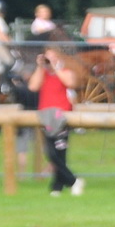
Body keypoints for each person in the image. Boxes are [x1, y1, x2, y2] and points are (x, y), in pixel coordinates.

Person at [27, 48, 81, 195]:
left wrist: (56, 68)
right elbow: (33, 86)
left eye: (51, 58)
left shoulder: (65, 71)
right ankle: (67, 182)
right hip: (46, 116)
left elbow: (69, 83)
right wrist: (40, 66)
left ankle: (62, 184)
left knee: (58, 152)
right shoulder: (42, 74)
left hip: (61, 115)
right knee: (53, 152)